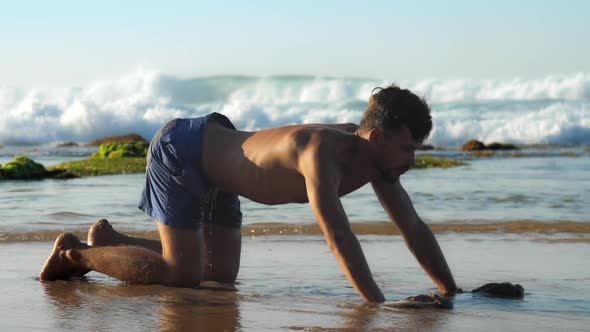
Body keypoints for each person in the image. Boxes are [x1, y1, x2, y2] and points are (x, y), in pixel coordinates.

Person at [39, 85, 459, 302]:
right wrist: (378, 304)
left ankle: (114, 243)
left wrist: (450, 291)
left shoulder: (380, 163)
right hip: (184, 151)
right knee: (181, 274)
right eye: (408, 148)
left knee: (218, 273)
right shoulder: (322, 152)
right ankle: (74, 253)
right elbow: (338, 237)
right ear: (379, 136)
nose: (412, 159)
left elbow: (413, 228)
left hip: (221, 163)